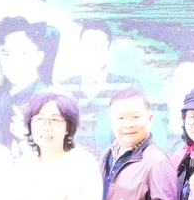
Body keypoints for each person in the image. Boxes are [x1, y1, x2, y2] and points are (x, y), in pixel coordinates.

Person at [52, 20, 142, 153]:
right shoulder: (64, 89)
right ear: (80, 48)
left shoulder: (128, 87)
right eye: (87, 46)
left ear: (109, 49)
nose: (92, 53)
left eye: (99, 47)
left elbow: (140, 133)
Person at [0, 16, 59, 149]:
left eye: (23, 53)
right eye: (6, 54)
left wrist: (29, 138)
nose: (13, 62)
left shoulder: (51, 101)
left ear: (39, 57)